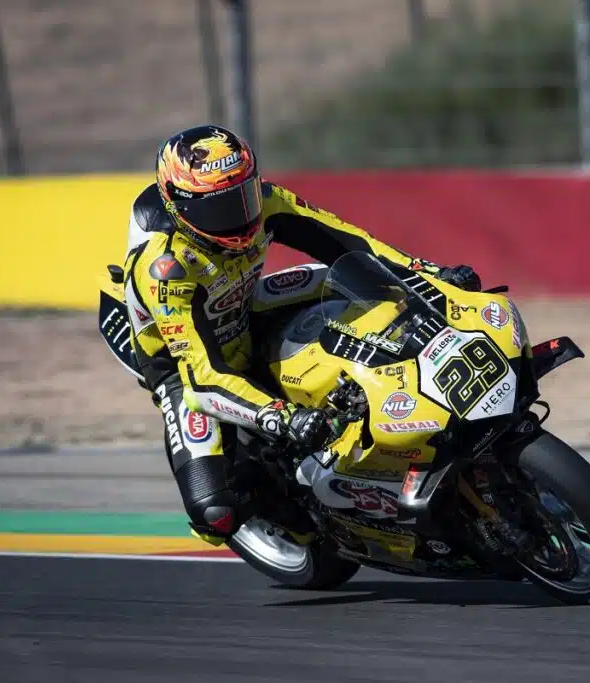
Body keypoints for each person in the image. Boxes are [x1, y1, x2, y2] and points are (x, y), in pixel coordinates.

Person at [122, 124, 480, 547]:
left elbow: (350, 241)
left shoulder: (269, 201)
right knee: (214, 513)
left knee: (365, 287)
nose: (240, 217)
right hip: (186, 368)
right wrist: (281, 415)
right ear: (179, 206)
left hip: (248, 306)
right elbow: (204, 378)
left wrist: (430, 274)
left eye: (244, 196)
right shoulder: (166, 269)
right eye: (218, 209)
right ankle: (285, 505)